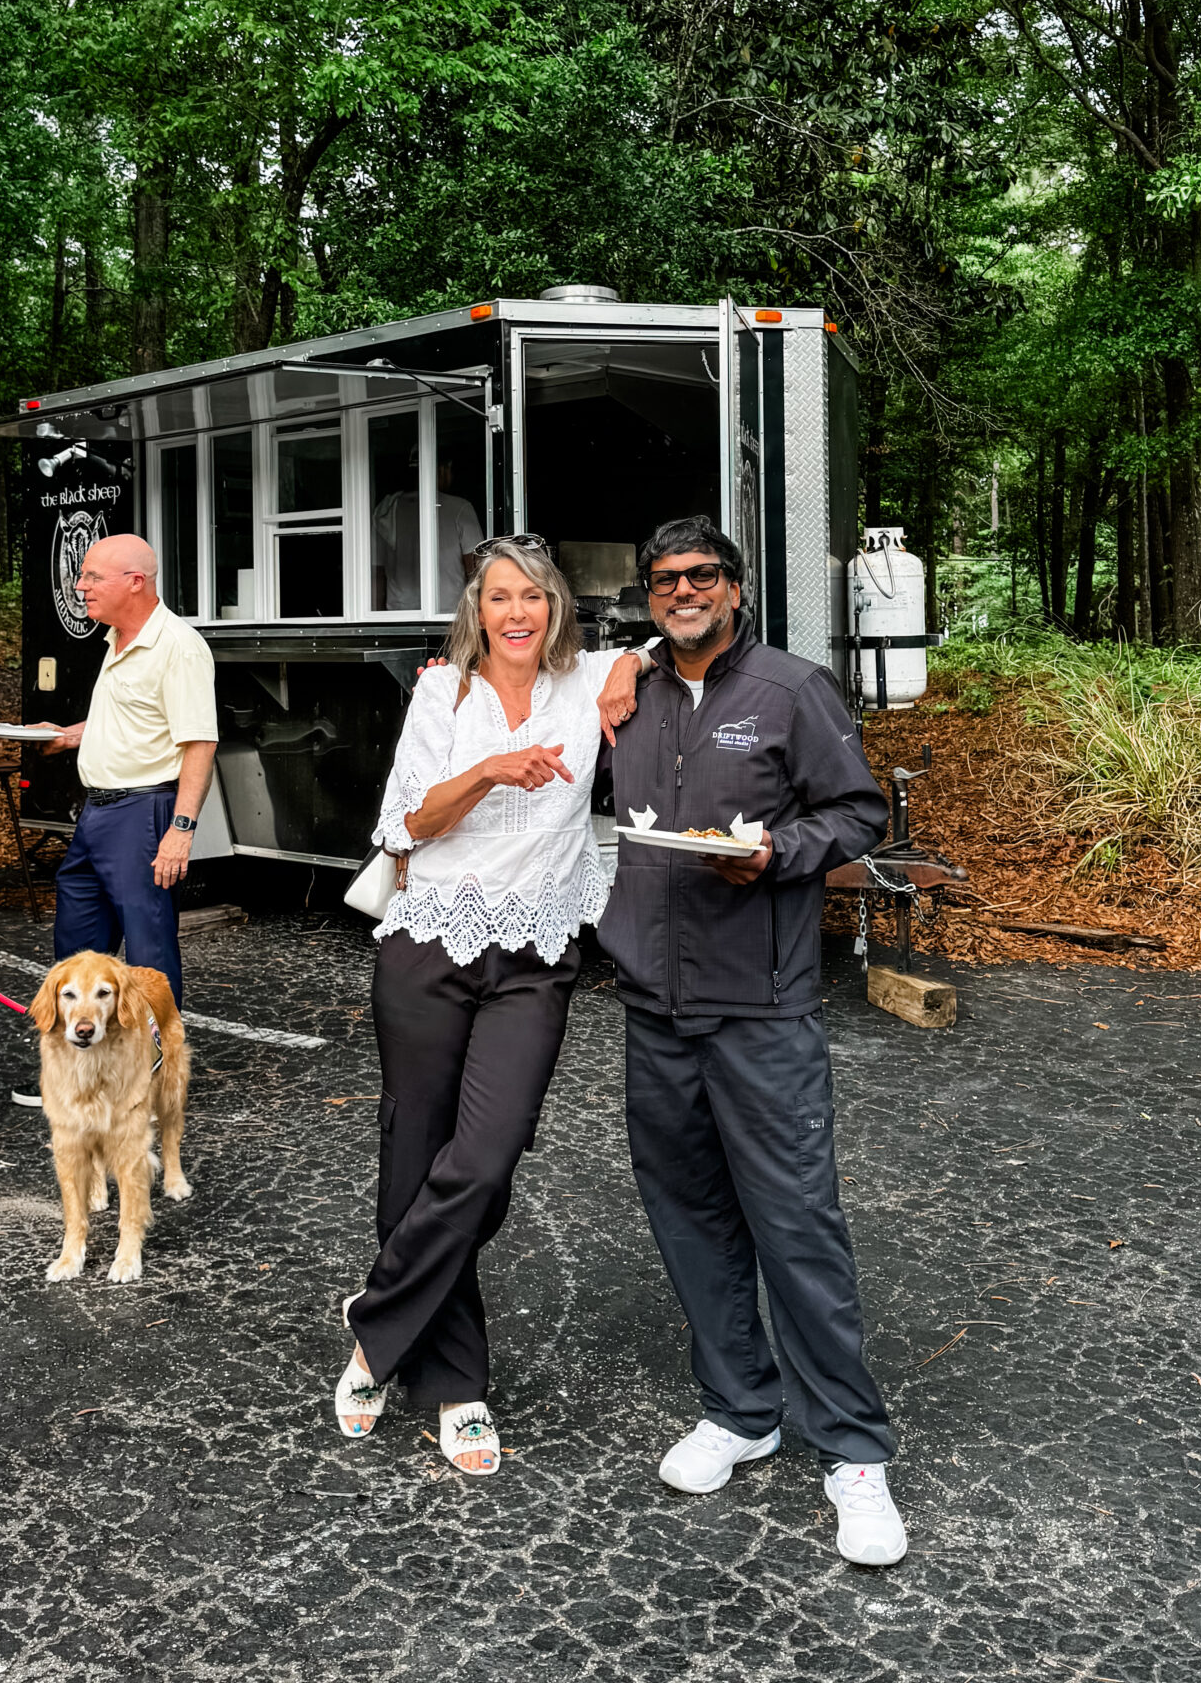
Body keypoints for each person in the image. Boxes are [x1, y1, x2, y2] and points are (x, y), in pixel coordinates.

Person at [596, 515, 907, 1566]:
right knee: (689, 1218)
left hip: (761, 1007)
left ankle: (853, 1451)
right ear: (650, 598)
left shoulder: (791, 689)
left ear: (735, 587)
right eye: (665, 579)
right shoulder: (632, 693)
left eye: (702, 576)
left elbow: (858, 813)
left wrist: (779, 851)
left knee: (796, 1224)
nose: (683, 591)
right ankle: (740, 1409)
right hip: (656, 1005)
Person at [336, 537, 646, 1473]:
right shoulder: (444, 693)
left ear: (557, 607)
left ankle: (378, 1314)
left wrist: (630, 664)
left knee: (485, 1159)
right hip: (429, 945)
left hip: (534, 960)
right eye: (499, 597)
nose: (517, 613)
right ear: (477, 610)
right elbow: (405, 826)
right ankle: (455, 1384)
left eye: (534, 597)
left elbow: (666, 642)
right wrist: (487, 772)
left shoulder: (586, 681)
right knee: (416, 1154)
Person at [19, 534, 219, 1106]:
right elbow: (132, 722)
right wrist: (68, 735)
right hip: (97, 813)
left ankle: (153, 1078)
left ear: (135, 582)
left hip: (143, 812)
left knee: (149, 955)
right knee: (78, 946)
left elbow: (199, 743)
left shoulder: (177, 647)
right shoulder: (116, 639)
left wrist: (180, 831)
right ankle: (79, 1072)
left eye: (91, 577)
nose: (80, 586)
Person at [371, 449, 485, 612]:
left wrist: (377, 618)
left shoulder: (385, 511)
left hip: (398, 615)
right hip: (448, 614)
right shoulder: (459, 508)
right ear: (443, 469)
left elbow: (376, 575)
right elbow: (476, 570)